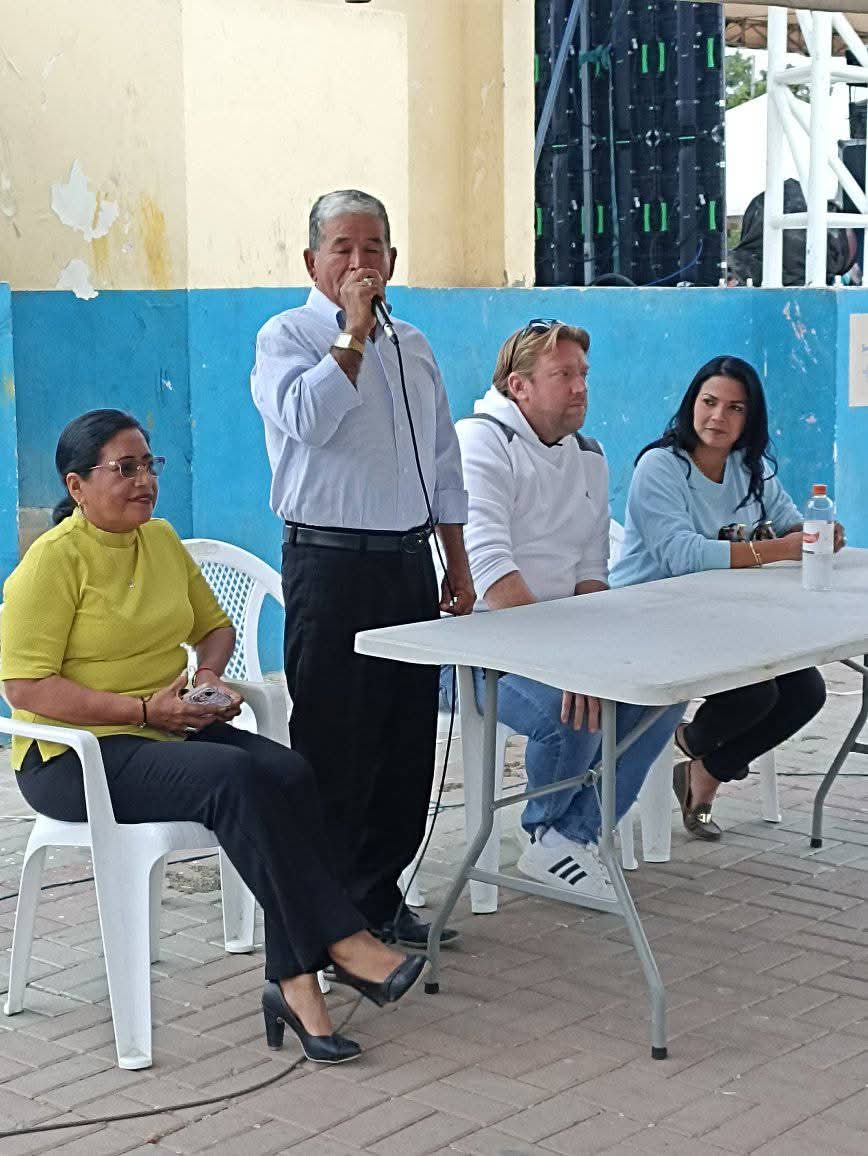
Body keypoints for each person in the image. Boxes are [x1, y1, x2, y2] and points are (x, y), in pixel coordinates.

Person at [0, 409, 426, 1065]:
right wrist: (142, 710)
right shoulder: (52, 563)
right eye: (125, 468)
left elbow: (215, 627)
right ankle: (340, 944)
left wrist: (205, 680)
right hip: (73, 757)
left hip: (164, 727)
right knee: (233, 780)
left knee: (290, 772)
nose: (144, 481)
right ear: (77, 486)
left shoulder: (161, 540)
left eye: (149, 465)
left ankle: (294, 980)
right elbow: (25, 688)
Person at [251, 189, 474, 948]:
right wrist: (349, 334)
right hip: (331, 567)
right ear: (311, 260)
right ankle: (328, 918)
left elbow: (442, 461)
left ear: (393, 260)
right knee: (335, 742)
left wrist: (457, 561)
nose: (358, 262)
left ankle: (379, 895)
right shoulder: (286, 337)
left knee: (405, 741)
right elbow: (307, 420)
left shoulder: (413, 344)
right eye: (342, 248)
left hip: (408, 564)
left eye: (372, 248)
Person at [450, 320, 684, 899]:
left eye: (583, 374)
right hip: (472, 647)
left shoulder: (590, 456)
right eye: (562, 375)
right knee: (571, 713)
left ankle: (566, 836)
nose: (580, 387)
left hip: (556, 644)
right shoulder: (479, 442)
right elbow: (491, 576)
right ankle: (551, 837)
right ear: (519, 386)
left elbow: (591, 575)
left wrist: (594, 658)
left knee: (664, 690)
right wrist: (568, 664)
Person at [610, 355, 843, 840]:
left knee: (807, 690)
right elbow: (682, 555)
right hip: (647, 617)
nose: (718, 417)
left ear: (750, 419)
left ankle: (704, 770)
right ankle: (687, 740)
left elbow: (789, 522)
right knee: (756, 691)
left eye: (735, 408)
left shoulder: (749, 468)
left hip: (721, 618)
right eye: (709, 402)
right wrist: (781, 548)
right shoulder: (660, 467)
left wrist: (819, 531)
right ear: (691, 404)